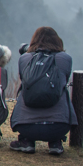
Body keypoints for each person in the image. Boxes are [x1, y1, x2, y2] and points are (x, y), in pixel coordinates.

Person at [8, 26, 76, 156]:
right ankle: (55, 142)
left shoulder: (25, 59)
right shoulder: (65, 59)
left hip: (25, 125)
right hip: (58, 126)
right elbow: (63, 80)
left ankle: (26, 141)